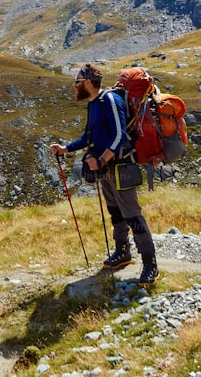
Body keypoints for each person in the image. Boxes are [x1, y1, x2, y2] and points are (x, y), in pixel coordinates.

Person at [50, 63, 159, 285]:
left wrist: (100, 160)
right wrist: (65, 149)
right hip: (107, 169)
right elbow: (88, 137)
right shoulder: (93, 104)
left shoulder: (109, 101)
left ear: (88, 82)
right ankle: (123, 253)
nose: (75, 85)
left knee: (132, 215)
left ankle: (150, 264)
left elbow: (120, 136)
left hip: (120, 168)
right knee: (115, 212)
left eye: (77, 81)